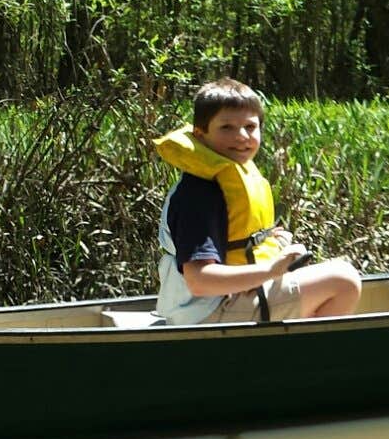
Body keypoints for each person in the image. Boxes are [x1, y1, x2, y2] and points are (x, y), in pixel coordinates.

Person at [154, 80, 362, 325]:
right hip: (206, 313)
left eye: (250, 127)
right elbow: (199, 281)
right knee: (344, 280)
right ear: (201, 134)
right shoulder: (199, 194)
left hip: (219, 301)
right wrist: (270, 271)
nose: (241, 136)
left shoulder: (222, 178)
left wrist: (271, 242)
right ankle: (306, 361)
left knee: (336, 273)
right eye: (227, 127)